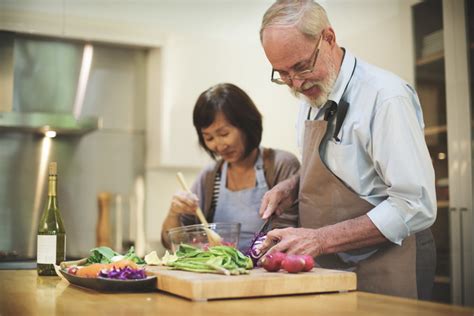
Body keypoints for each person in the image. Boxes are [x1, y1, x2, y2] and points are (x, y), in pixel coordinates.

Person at [257, 0, 436, 299]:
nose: (296, 83)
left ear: (328, 38)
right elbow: (334, 167)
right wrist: (292, 186)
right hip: (337, 263)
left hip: (393, 260)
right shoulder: (310, 96)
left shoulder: (386, 97)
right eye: (283, 74)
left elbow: (415, 205)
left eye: (302, 66)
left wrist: (321, 239)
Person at [161, 83, 300, 252]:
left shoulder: (281, 164)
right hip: (222, 275)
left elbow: (286, 238)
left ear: (246, 125)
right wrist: (174, 213)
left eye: (224, 134)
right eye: (209, 137)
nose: (219, 146)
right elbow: (172, 243)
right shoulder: (210, 177)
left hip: (269, 273)